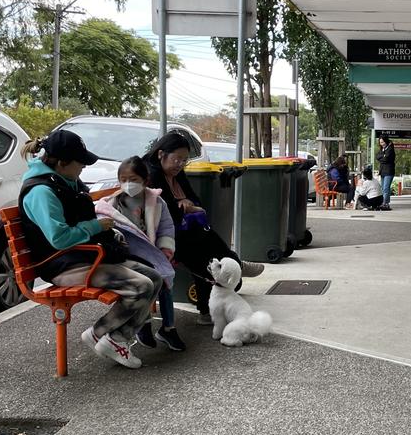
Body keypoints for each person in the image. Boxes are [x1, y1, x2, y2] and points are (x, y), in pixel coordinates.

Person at [19, 131, 162, 370]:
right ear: (62, 162)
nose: (84, 167)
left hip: (84, 256)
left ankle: (117, 339)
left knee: (154, 277)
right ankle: (97, 333)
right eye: (81, 162)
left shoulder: (65, 180)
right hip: (62, 264)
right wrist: (95, 226)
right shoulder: (41, 192)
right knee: (141, 286)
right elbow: (59, 238)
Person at [143, 131, 263, 324]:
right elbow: (169, 212)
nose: (180, 164)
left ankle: (229, 273)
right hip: (164, 237)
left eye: (184, 160)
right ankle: (234, 267)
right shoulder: (152, 175)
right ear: (161, 154)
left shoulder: (176, 174)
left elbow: (196, 202)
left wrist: (187, 204)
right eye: (177, 159)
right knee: (206, 251)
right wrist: (185, 205)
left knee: (206, 239)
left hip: (185, 231)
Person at [96, 157, 186, 352]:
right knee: (147, 281)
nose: (128, 184)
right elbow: (109, 232)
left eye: (134, 179)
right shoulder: (113, 204)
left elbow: (166, 228)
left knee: (165, 281)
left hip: (154, 253)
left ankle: (168, 327)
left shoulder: (156, 202)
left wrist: (166, 251)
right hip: (128, 257)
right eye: (124, 179)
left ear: (145, 180)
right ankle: (143, 325)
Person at [376, 136, 396, 210]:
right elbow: (377, 156)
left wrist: (383, 158)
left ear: (386, 141)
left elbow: (386, 159)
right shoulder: (382, 149)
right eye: (380, 142)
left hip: (389, 171)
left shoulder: (390, 149)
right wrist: (383, 157)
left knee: (386, 188)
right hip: (382, 171)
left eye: (383, 142)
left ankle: (385, 203)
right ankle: (385, 202)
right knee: (383, 188)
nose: (382, 144)